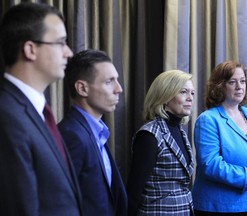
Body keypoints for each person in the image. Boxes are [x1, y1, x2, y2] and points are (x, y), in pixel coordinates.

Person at [0, 2, 83, 216]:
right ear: (30, 49)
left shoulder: (34, 111)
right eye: (61, 43)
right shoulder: (6, 116)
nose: (69, 53)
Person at [192, 60, 247, 215]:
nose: (240, 87)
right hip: (223, 208)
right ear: (219, 86)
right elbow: (210, 165)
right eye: (232, 82)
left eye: (242, 81)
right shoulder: (208, 119)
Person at [57, 49, 127, 216]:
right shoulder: (71, 135)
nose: (119, 89)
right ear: (82, 88)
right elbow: (60, 203)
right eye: (109, 81)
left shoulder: (97, 132)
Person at [127, 70, 195, 215]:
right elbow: (134, 189)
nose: (190, 98)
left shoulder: (180, 130)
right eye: (184, 92)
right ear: (165, 96)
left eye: (192, 93)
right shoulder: (149, 135)